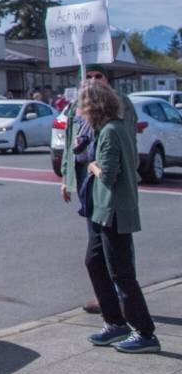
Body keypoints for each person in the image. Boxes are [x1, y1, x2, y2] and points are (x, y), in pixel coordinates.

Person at [66, 81, 159, 353]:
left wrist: (90, 163)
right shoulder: (112, 129)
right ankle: (114, 322)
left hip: (113, 211)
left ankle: (144, 332)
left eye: (82, 105)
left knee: (121, 273)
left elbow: (107, 173)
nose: (79, 111)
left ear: (94, 106)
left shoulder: (110, 131)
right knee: (94, 262)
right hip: (101, 211)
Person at [60, 64, 138, 315]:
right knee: (96, 253)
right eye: (89, 76)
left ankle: (126, 305)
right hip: (88, 185)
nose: (93, 80)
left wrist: (96, 166)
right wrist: (66, 177)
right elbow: (70, 144)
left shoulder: (117, 111)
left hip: (109, 187)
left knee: (117, 254)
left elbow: (118, 154)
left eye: (98, 76)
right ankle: (108, 303)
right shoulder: (75, 107)